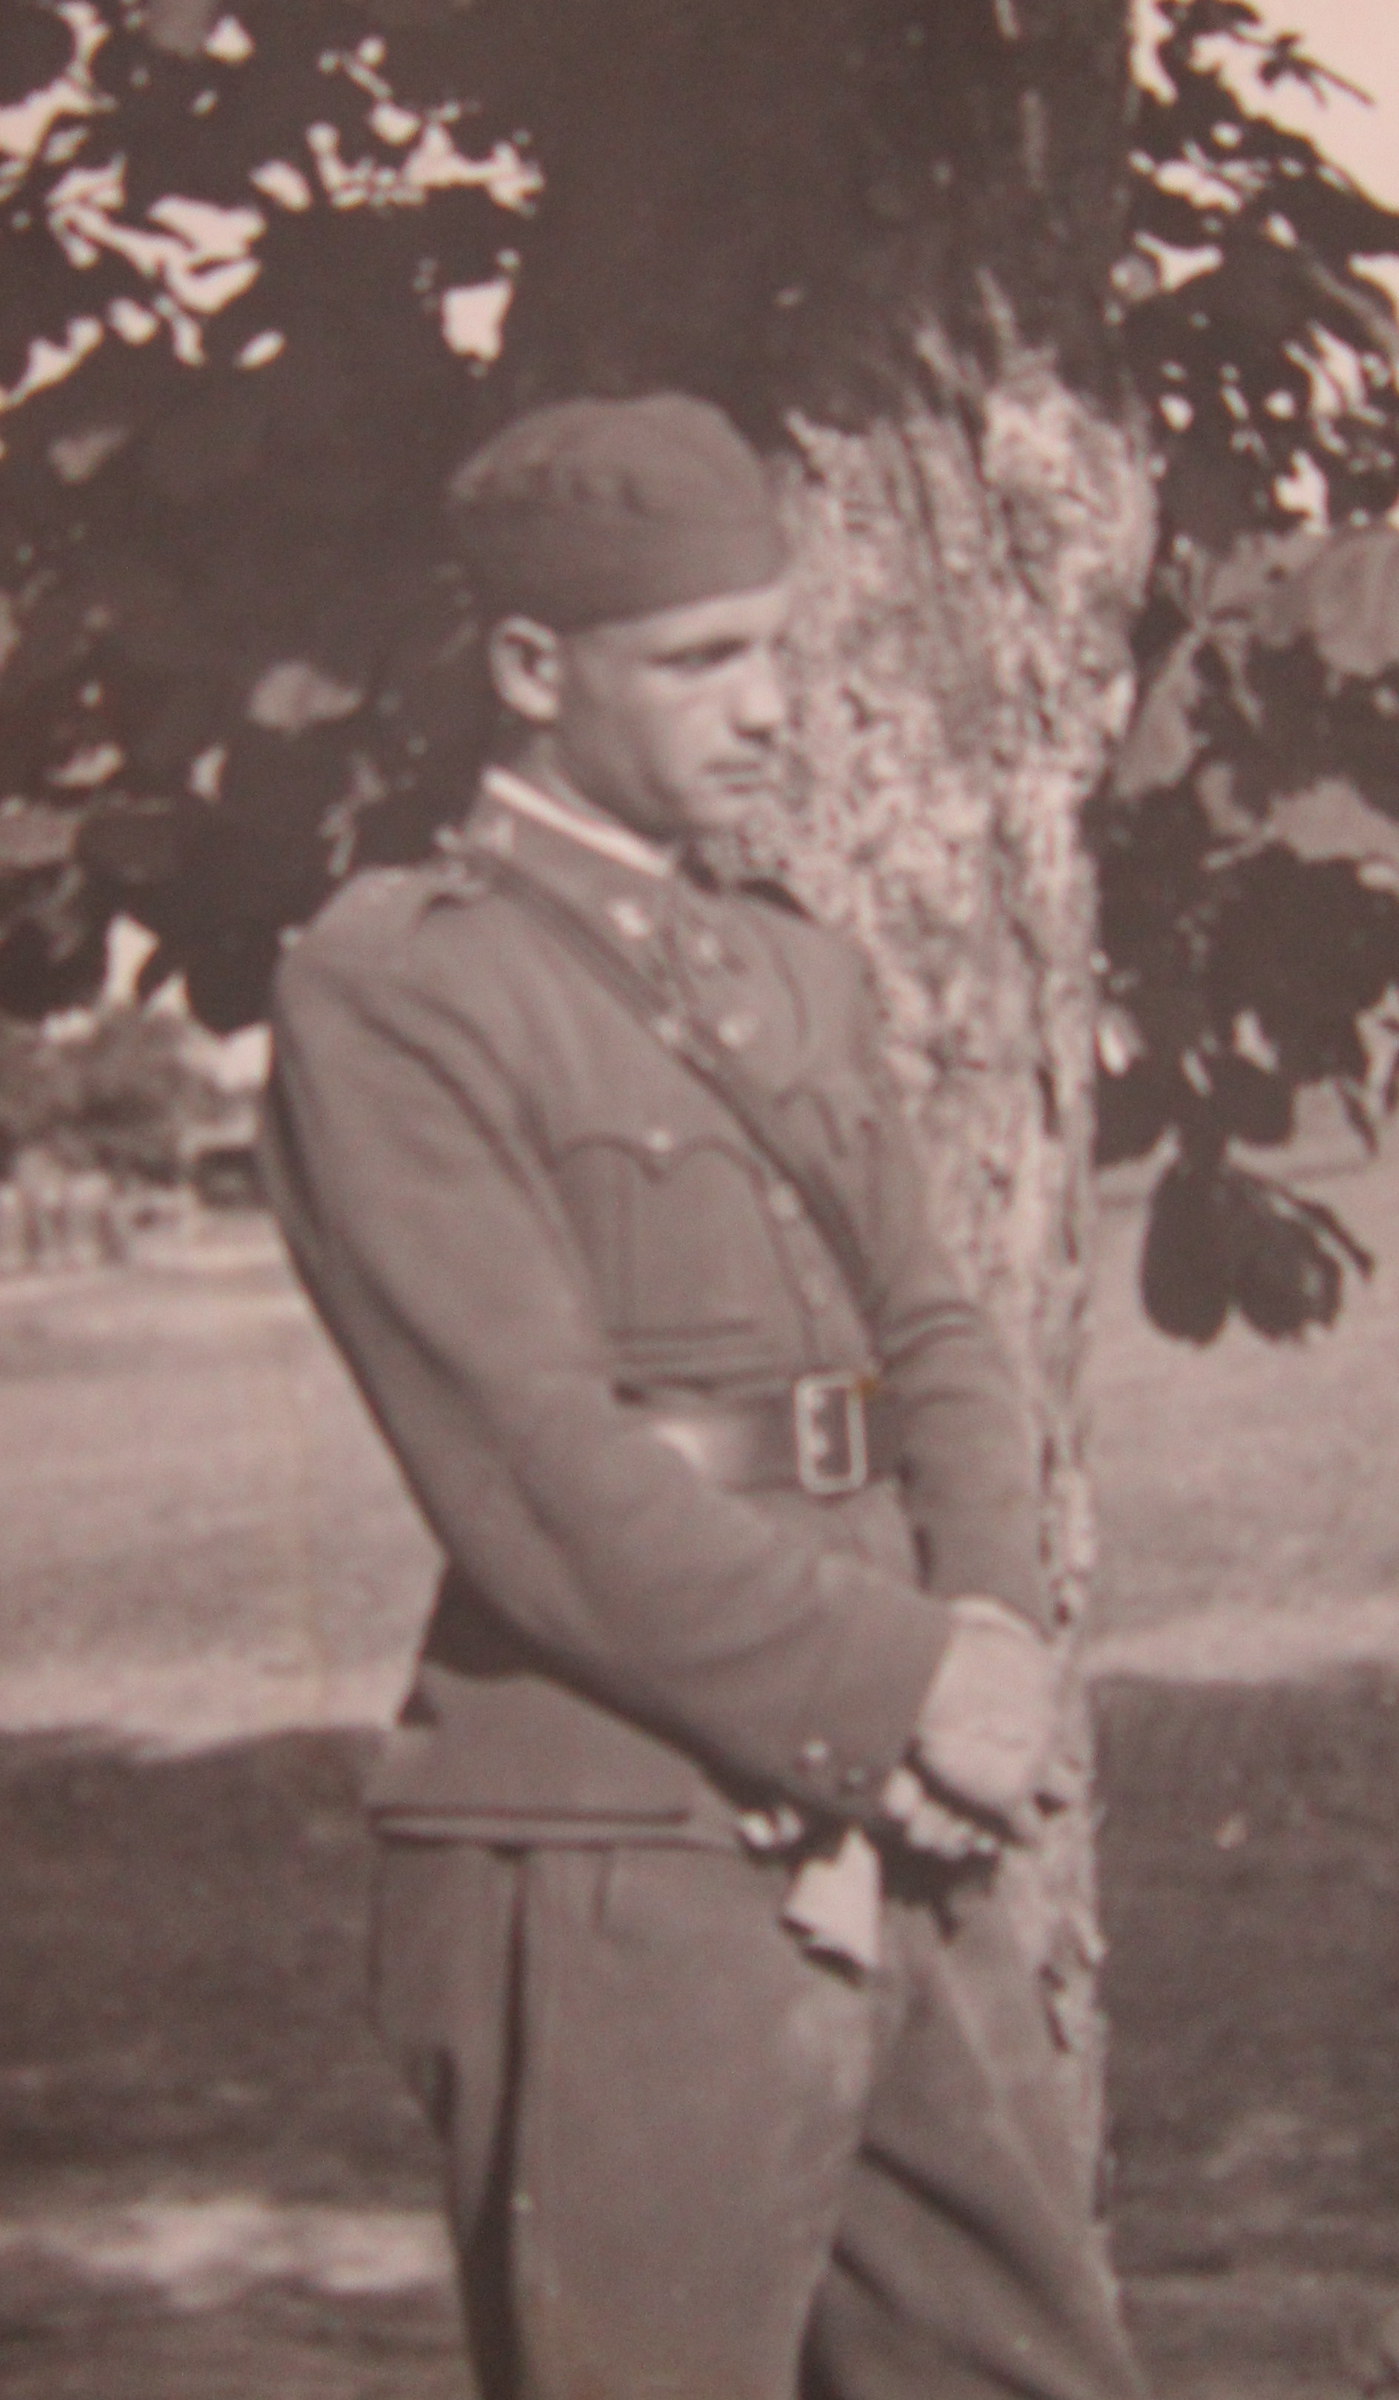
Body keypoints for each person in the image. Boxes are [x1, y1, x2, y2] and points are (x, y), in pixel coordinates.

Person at [261, 392, 1148, 2400]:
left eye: (774, 647)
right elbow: (532, 1469)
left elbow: (936, 1330)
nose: (766, 708)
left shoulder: (787, 969)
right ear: (530, 667)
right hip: (618, 1846)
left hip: (907, 1820)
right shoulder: (402, 983)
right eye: (699, 660)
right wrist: (896, 1686)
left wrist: (991, 1632)